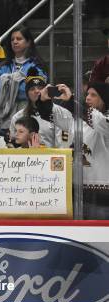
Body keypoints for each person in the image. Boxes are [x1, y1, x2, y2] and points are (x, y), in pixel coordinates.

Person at [44, 82, 109, 219]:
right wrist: (44, 100)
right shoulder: (79, 121)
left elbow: (98, 121)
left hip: (102, 199)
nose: (87, 98)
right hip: (75, 193)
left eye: (93, 95)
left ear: (104, 99)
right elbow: (54, 115)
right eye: (87, 95)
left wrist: (72, 101)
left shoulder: (104, 121)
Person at [0, 26, 47, 129]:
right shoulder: (5, 65)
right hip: (4, 115)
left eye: (19, 39)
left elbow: (33, 90)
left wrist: (6, 83)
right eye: (12, 39)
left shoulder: (36, 66)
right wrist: (18, 82)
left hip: (28, 114)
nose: (15, 41)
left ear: (28, 42)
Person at [9, 68, 72, 148]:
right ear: (27, 94)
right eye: (32, 89)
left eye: (40, 88)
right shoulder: (18, 117)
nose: (37, 91)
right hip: (25, 159)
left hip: (52, 158)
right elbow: (14, 145)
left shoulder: (60, 113)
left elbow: (64, 144)